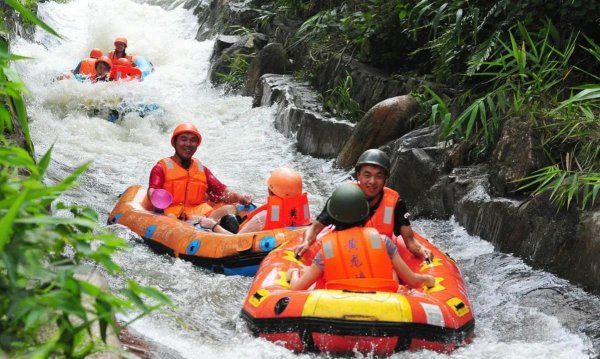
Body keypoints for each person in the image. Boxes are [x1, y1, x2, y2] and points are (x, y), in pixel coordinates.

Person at [287, 183, 435, 291]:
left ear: (332, 217)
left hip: (336, 311)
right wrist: (428, 279)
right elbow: (413, 281)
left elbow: (297, 288)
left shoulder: (327, 250)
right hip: (384, 311)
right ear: (365, 215)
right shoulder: (384, 242)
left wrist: (294, 273)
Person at [295, 149, 432, 260]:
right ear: (358, 175)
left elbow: (410, 241)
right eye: (367, 175)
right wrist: (306, 241)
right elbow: (315, 228)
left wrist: (423, 251)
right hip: (344, 255)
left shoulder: (396, 204)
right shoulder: (344, 198)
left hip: (379, 258)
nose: (372, 181)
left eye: (379, 176)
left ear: (385, 178)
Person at [147, 123, 252, 233]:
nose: (188, 144)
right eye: (183, 139)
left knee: (230, 213)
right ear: (174, 142)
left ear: (197, 145)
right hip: (173, 216)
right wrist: (156, 198)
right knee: (180, 225)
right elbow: (153, 190)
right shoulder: (161, 168)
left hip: (199, 215)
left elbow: (221, 190)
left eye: (193, 140)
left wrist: (241, 198)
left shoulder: (201, 169)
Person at [238, 168, 311, 233]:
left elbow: (238, 239)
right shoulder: (302, 211)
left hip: (261, 244)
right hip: (288, 240)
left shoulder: (261, 217)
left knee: (230, 216)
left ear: (270, 191)